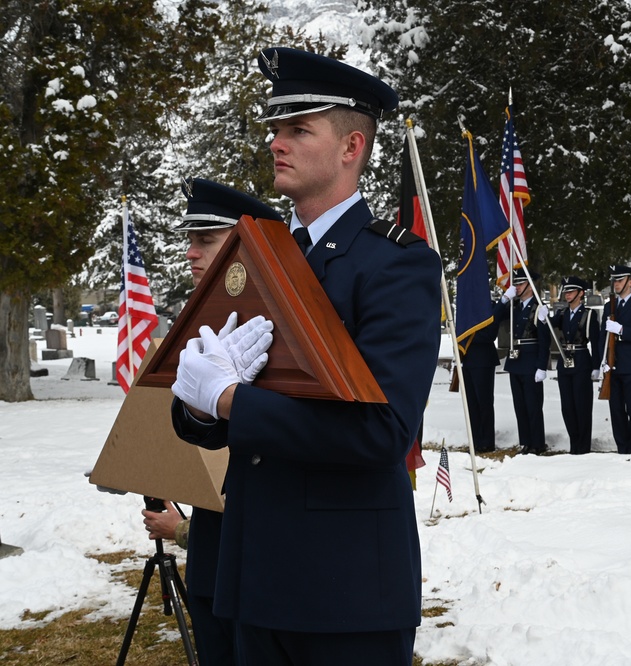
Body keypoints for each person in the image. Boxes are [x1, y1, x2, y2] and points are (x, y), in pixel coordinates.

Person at [169, 47, 441, 666]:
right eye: (274, 129)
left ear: (351, 147)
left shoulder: (396, 265)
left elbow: (381, 433)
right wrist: (202, 403)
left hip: (344, 586)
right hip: (252, 575)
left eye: (298, 129)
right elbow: (198, 419)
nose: (276, 143)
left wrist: (232, 398)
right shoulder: (258, 261)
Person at [142, 177, 284, 666]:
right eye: (191, 239)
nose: (190, 252)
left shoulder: (280, 321)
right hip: (213, 550)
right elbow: (190, 427)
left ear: (245, 245)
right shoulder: (207, 316)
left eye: (206, 239)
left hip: (267, 550)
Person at [597, 264, 631, 455]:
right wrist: (601, 361)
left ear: (630, 282)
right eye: (614, 280)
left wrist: (621, 330)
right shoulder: (608, 306)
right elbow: (601, 337)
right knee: (616, 410)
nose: (616, 284)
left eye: (619, 280)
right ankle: (622, 447)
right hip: (612, 365)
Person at [494, 267, 550, 454]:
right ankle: (525, 442)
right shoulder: (513, 307)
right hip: (516, 361)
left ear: (531, 285)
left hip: (531, 361)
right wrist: (504, 300)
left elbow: (544, 340)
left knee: (533, 406)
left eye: (520, 283)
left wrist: (542, 366)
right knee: (520, 405)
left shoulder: (538, 307)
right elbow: (493, 319)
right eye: (515, 283)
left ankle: (537, 443)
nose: (516, 287)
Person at [552, 276, 600, 454]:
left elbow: (595, 342)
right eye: (566, 291)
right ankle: (574, 443)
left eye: (571, 291)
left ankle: (583, 446)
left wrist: (596, 366)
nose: (567, 294)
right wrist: (543, 318)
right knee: (567, 406)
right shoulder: (562, 314)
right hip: (565, 363)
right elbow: (547, 327)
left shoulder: (589, 314)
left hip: (581, 361)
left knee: (582, 405)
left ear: (581, 293)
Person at [459, 308, 500, 453]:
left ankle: (487, 441)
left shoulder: (488, 307)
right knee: (471, 404)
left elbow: (490, 335)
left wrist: (468, 335)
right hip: (467, 360)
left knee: (484, 403)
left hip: (483, 361)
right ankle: (475, 440)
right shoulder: (466, 308)